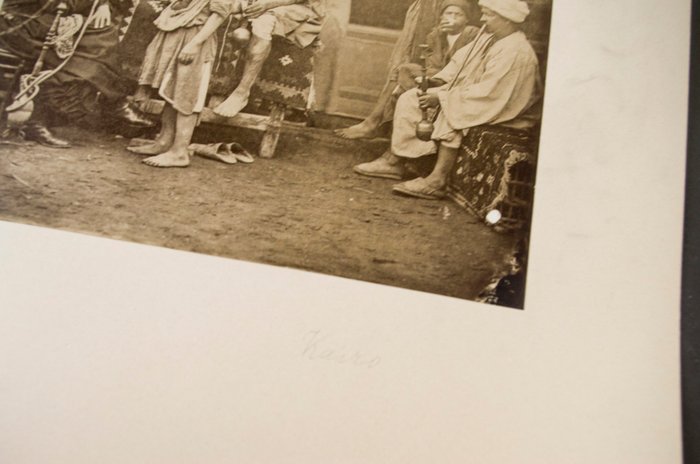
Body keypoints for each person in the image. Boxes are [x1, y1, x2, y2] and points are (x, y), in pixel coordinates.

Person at [353, 0, 542, 200]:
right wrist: (438, 81)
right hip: (481, 95)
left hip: (508, 108)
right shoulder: (490, 37)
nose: (482, 19)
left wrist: (443, 97)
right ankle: (396, 160)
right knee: (412, 97)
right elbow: (460, 63)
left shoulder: (516, 52)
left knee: (452, 109)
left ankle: (437, 181)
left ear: (507, 19)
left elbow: (491, 94)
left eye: (488, 14)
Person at [0, 0, 154, 148]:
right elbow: (58, 5)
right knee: (95, 42)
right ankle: (114, 102)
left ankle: (114, 101)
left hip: (44, 20)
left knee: (103, 34)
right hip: (22, 24)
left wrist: (102, 4)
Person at [127, 0, 236, 167]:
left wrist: (195, 44)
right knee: (172, 91)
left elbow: (219, 13)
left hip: (196, 35)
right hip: (176, 28)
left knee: (188, 93)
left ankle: (179, 152)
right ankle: (164, 142)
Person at [334, 0, 442, 140]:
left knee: (417, 63)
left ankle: (376, 123)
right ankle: (376, 122)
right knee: (401, 63)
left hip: (441, 12)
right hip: (425, 10)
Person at [212, 0, 324, 118]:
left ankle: (242, 92)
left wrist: (267, 4)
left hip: (294, 6)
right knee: (217, 7)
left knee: (264, 22)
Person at [393, 0, 479, 108]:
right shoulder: (435, 35)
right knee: (405, 69)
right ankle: (417, 94)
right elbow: (433, 64)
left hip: (458, 77)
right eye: (448, 13)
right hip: (436, 74)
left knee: (404, 88)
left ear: (466, 19)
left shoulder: (472, 33)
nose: (453, 17)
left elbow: (460, 64)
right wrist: (439, 36)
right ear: (441, 17)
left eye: (458, 14)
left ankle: (419, 94)